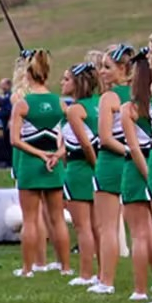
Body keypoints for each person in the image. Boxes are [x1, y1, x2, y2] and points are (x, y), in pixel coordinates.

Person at [10, 49, 72, 278]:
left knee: (30, 219)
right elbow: (72, 137)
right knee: (57, 219)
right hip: (54, 166)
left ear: (28, 74)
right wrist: (56, 154)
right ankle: (65, 267)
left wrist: (39, 154)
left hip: (30, 165)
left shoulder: (23, 104)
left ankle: (28, 269)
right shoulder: (60, 103)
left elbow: (15, 140)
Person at [88, 44, 135, 295]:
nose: (102, 72)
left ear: (123, 69)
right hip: (136, 163)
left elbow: (105, 138)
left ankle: (106, 281)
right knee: (141, 229)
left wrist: (127, 151)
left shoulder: (110, 97)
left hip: (110, 162)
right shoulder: (142, 93)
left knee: (106, 227)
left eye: (107, 67)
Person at [120, 48, 152, 303]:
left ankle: (141, 289)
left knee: (140, 234)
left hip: (136, 170)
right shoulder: (150, 104)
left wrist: (146, 174)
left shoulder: (129, 108)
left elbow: (133, 147)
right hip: (149, 165)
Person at [61, 62, 101, 286]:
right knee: (97, 226)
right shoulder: (98, 103)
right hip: (94, 168)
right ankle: (102, 273)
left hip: (80, 168)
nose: (62, 83)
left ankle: (87, 274)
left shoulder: (75, 110)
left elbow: (85, 146)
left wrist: (96, 166)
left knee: (82, 226)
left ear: (77, 83)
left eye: (66, 79)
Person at [0, 78, 13, 167]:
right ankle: (9, 161)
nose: (1, 86)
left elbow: (10, 110)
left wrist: (1, 111)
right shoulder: (5, 96)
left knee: (9, 143)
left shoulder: (10, 96)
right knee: (6, 143)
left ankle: (11, 162)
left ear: (8, 85)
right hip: (4, 123)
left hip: (8, 124)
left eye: (2, 84)